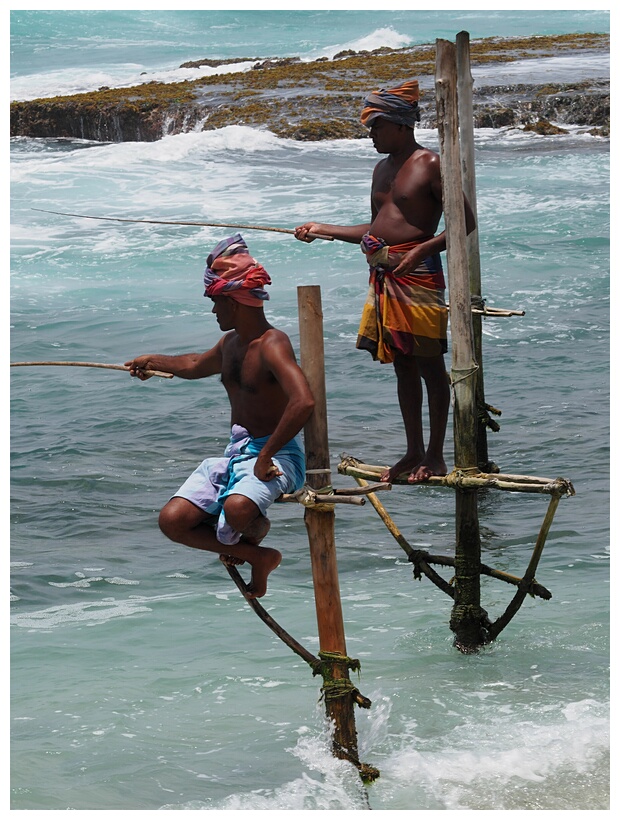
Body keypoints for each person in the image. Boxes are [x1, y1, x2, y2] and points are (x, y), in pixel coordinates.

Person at [295, 79, 475, 484]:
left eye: (376, 126)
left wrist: (422, 251)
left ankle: (435, 455)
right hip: (382, 275)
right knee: (403, 366)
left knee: (430, 366)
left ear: (400, 124)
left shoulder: (430, 164)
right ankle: (412, 451)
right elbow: (375, 228)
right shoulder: (381, 169)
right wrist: (322, 228)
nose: (371, 135)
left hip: (419, 277)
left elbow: (465, 224)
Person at [125, 235, 315, 598]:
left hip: (277, 456)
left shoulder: (272, 343)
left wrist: (264, 457)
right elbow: (195, 364)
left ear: (233, 301)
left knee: (239, 507)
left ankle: (243, 528)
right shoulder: (231, 344)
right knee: (173, 521)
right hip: (237, 454)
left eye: (216, 303)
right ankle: (256, 555)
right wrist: (151, 361)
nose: (214, 312)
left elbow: (303, 402)